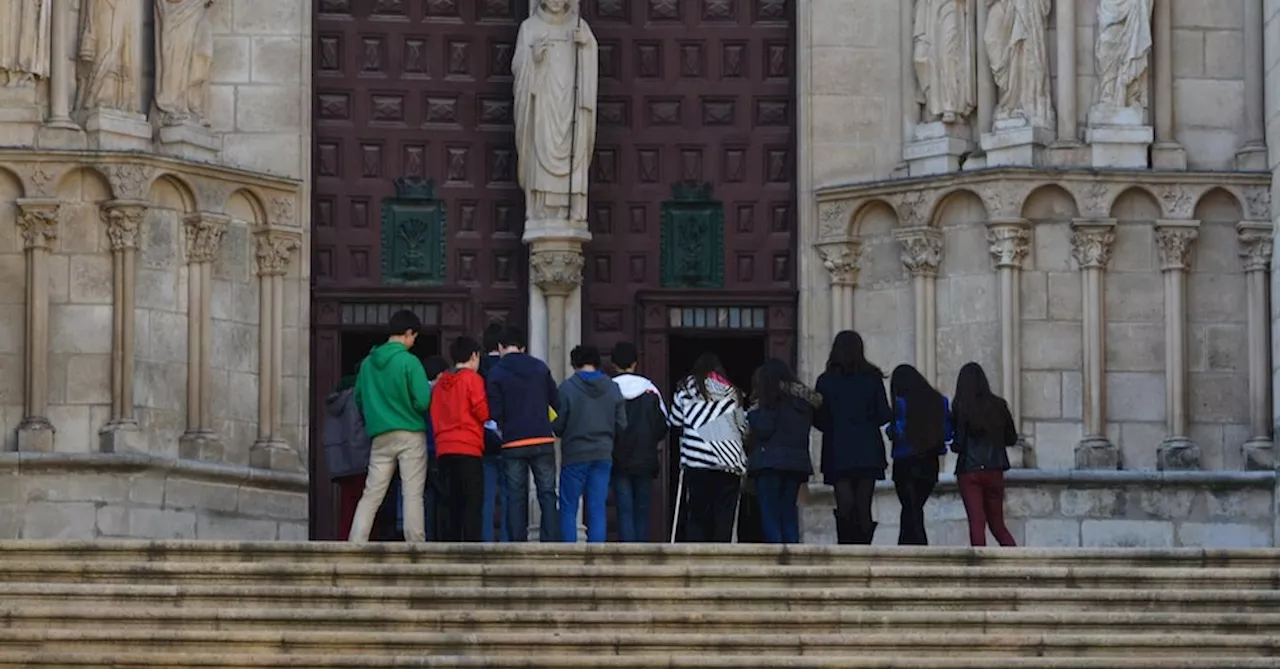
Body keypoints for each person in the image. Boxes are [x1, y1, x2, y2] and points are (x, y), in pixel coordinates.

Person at [348, 310, 431, 542]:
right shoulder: (409, 361)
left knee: (372, 493)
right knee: (412, 492)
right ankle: (415, 545)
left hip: (380, 435)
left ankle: (355, 542)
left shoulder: (367, 364)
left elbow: (358, 399)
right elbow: (423, 400)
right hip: (410, 433)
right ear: (407, 333)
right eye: (414, 337)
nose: (413, 342)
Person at [814, 331, 892, 545]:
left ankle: (846, 550)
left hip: (837, 450)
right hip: (868, 450)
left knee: (845, 504)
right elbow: (884, 414)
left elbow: (818, 419)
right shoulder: (872, 378)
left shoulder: (826, 380)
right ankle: (864, 550)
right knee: (863, 505)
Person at [486, 326, 560, 542]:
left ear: (500, 347)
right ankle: (551, 542)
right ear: (523, 347)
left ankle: (518, 543)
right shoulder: (540, 367)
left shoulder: (496, 373)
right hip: (542, 438)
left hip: (513, 441)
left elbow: (495, 412)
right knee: (547, 493)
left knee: (515, 495)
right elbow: (556, 402)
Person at [670, 352, 747, 543]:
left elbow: (675, 421)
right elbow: (741, 427)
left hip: (697, 461)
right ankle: (721, 555)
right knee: (723, 514)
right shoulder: (732, 392)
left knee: (697, 513)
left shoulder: (685, 391)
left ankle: (697, 555)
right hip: (727, 461)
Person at [553, 345, 626, 543]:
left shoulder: (567, 387)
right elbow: (621, 424)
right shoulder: (613, 387)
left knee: (569, 507)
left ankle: (570, 555)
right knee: (597, 507)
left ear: (574, 363)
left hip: (575, 454)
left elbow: (558, 425)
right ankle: (597, 556)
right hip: (603, 453)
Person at [746, 358, 821, 545]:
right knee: (788, 510)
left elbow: (763, 428)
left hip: (769, 462)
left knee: (770, 512)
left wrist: (753, 414)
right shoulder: (803, 404)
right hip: (796, 463)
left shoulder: (768, 400)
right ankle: (793, 553)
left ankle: (776, 554)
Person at [951, 362, 1018, 547]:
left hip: (969, 470)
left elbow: (959, 444)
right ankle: (1017, 563)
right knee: (998, 525)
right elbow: (1011, 438)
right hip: (994, 469)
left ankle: (979, 568)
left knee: (977, 521)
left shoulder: (962, 406)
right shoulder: (999, 405)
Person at [430, 337, 490, 542]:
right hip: (468, 446)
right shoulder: (472, 379)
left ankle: (450, 545)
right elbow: (481, 411)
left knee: (450, 501)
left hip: (444, 448)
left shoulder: (440, 384)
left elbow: (434, 414)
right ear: (474, 356)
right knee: (472, 501)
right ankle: (472, 547)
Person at [609, 341, 668, 543]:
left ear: (613, 363)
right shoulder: (650, 390)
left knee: (624, 511)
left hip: (617, 459)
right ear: (635, 363)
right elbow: (662, 426)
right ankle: (641, 556)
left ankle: (627, 558)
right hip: (645, 459)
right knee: (642, 511)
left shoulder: (608, 389)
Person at [886, 364, 951, 546]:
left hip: (905, 461)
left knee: (910, 507)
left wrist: (890, 430)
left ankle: (915, 547)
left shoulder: (902, 404)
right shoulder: (939, 401)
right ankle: (911, 546)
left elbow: (897, 431)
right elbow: (946, 433)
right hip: (930, 463)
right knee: (914, 508)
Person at [322, 375, 369, 540]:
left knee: (347, 503)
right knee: (367, 501)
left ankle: (345, 537)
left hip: (340, 460)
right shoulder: (355, 398)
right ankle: (362, 539)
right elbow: (355, 430)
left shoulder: (333, 404)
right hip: (359, 456)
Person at [478, 323, 509, 542]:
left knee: (486, 497)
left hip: (482, 438)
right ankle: (508, 540)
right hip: (510, 436)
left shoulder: (477, 369)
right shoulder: (511, 367)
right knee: (510, 495)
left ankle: (486, 541)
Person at [422, 355, 451, 540]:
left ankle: (428, 537)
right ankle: (444, 537)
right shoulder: (443, 392)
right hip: (441, 448)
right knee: (446, 498)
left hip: (422, 449)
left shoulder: (419, 392)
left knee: (426, 499)